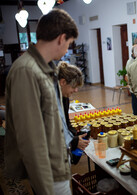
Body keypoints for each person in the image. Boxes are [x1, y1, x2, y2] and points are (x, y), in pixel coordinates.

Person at [5, 9, 78, 195]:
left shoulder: (44, 69)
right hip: (50, 176)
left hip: (56, 167)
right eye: (69, 43)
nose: (67, 49)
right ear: (61, 38)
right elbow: (31, 140)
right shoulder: (26, 71)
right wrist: (46, 188)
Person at [57, 61, 90, 164]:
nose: (76, 91)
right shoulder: (50, 100)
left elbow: (66, 123)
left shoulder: (64, 97)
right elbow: (54, 132)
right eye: (74, 86)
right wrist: (74, 141)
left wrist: (77, 135)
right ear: (63, 82)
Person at [125, 45, 137, 116]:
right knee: (136, 107)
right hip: (135, 87)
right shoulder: (130, 62)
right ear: (134, 53)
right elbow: (128, 76)